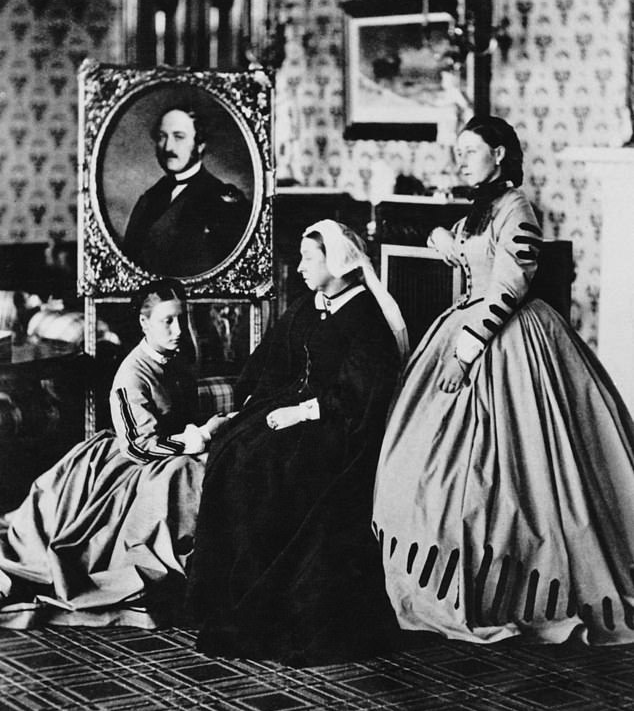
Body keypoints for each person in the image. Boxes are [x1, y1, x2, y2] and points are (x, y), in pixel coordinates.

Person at [373, 115, 634, 646]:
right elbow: (475, 252)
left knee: (521, 474)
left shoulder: (517, 207)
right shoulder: (484, 207)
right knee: (422, 470)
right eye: (458, 150)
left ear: (499, 154)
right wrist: (445, 238)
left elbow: (510, 285)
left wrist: (465, 353)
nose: (460, 158)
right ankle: (449, 578)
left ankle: (511, 587)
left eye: (470, 150)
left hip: (508, 343)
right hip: (469, 327)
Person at [188, 220, 408, 666]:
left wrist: (299, 413)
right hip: (286, 411)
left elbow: (360, 393)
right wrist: (246, 408)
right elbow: (272, 362)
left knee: (269, 466)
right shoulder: (308, 305)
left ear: (339, 263)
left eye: (310, 259)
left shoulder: (366, 317)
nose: (301, 268)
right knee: (232, 450)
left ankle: (260, 599)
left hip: (336, 426)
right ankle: (219, 595)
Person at [0, 278, 228, 627]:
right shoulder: (132, 374)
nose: (178, 329)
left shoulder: (176, 363)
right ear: (144, 323)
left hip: (166, 450)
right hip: (133, 458)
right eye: (168, 320)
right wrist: (198, 438)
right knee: (183, 476)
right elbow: (139, 446)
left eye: (182, 319)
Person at [123, 107, 251, 277]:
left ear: (200, 145)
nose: (168, 147)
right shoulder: (150, 198)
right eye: (162, 137)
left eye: (179, 137)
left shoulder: (222, 202)